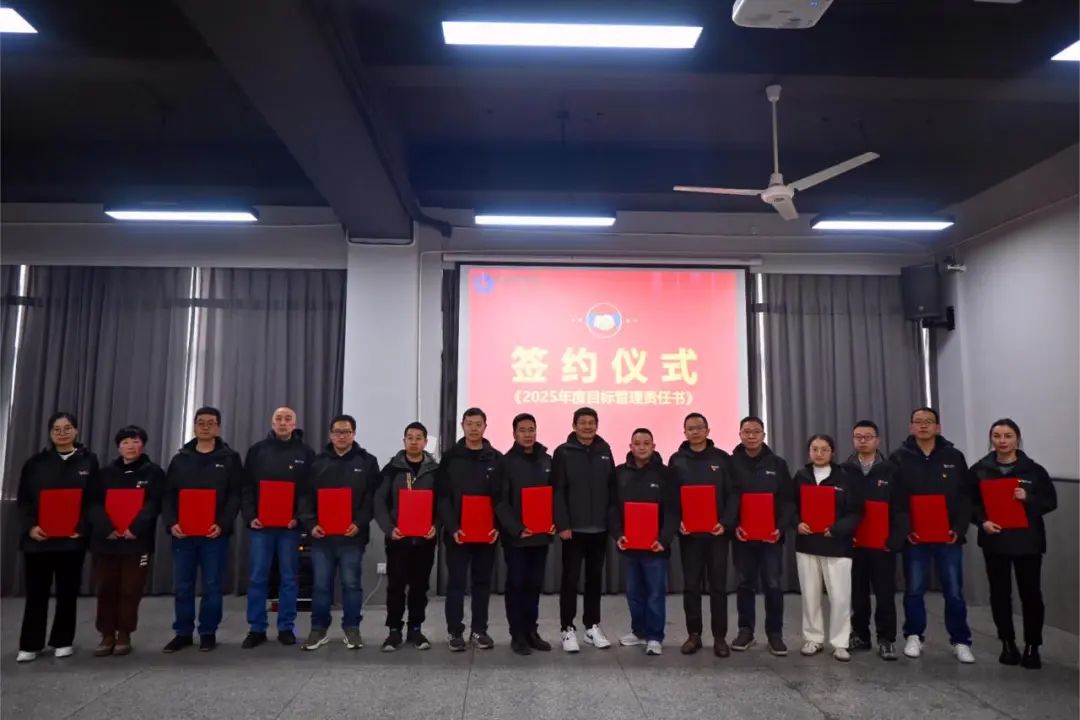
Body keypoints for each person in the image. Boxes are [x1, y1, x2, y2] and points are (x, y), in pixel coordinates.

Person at [970, 418, 1057, 669]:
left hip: (1028, 541)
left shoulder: (1034, 470)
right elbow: (970, 503)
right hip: (995, 539)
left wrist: (1028, 497)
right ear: (991, 439)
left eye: (1008, 436)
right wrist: (982, 522)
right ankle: (1007, 643)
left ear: (1017, 438)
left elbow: (1050, 502)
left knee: (1031, 594)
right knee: (999, 594)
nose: (1002, 441)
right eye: (997, 436)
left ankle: (1032, 645)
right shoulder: (979, 470)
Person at [891, 407, 974, 664]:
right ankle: (914, 635)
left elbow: (965, 497)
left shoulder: (954, 456)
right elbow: (895, 500)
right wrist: (907, 530)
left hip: (948, 537)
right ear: (911, 426)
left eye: (929, 421)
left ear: (938, 427)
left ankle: (960, 640)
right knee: (914, 589)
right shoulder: (899, 457)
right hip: (915, 537)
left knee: (954, 591)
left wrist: (958, 529)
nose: (923, 426)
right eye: (918, 421)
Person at [15, 412, 99, 663]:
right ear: (50, 433)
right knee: (36, 594)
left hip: (71, 540)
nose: (62, 433)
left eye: (67, 428)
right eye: (57, 429)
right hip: (38, 540)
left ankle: (63, 640)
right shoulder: (35, 463)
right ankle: (30, 644)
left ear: (76, 431)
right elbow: (24, 500)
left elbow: (93, 501)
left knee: (67, 593)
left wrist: (81, 527)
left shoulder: (88, 461)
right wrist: (30, 527)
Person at [160, 406, 243, 653]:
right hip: (183, 534)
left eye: (211, 423)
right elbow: (168, 495)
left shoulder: (230, 459)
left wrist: (223, 524)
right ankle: (183, 632)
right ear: (194, 426)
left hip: (214, 534)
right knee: (183, 585)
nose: (205, 427)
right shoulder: (180, 458)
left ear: (218, 427)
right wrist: (172, 523)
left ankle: (208, 632)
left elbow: (235, 495)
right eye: (201, 422)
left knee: (212, 585)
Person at [298, 414, 379, 651]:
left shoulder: (367, 461)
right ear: (330, 434)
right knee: (321, 586)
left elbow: (372, 498)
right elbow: (305, 497)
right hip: (322, 537)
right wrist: (311, 523)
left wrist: (360, 523)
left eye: (346, 432)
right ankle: (318, 629)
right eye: (337, 432)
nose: (341, 436)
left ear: (354, 434)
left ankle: (352, 629)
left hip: (352, 537)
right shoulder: (316, 462)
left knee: (351, 584)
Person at [240, 406, 315, 649]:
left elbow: (308, 491)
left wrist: (299, 517)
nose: (283, 422)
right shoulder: (257, 451)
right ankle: (256, 627)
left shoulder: (305, 453)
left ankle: (286, 627)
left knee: (289, 578)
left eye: (288, 419)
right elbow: (247, 487)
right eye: (279, 419)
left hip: (290, 527)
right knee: (257, 577)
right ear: (272, 423)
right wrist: (251, 516)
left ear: (295, 424)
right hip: (261, 526)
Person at [87, 425, 165, 657]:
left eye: (136, 441)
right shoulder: (104, 473)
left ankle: (124, 633)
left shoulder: (154, 473)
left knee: (131, 588)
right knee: (106, 588)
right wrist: (108, 528)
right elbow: (93, 504)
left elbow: (154, 504)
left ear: (143, 445)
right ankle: (106, 634)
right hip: (107, 541)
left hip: (137, 541)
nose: (131, 446)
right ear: (118, 447)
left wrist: (135, 528)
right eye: (125, 442)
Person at [669, 412, 737, 657]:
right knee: (691, 587)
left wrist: (725, 523)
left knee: (718, 587)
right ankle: (694, 634)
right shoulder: (677, 460)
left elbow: (733, 495)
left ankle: (720, 637)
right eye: (690, 428)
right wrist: (678, 523)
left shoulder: (722, 459)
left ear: (708, 431)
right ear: (684, 432)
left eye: (699, 427)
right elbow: (671, 498)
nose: (695, 431)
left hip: (717, 534)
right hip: (689, 536)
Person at [794, 434, 864, 662]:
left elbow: (856, 511)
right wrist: (797, 523)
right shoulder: (801, 476)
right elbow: (790, 505)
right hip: (807, 544)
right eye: (814, 449)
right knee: (810, 596)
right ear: (809, 452)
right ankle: (813, 638)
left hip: (837, 545)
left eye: (824, 449)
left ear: (832, 452)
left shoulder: (845, 477)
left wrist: (837, 529)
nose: (819, 453)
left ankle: (840, 642)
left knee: (840, 597)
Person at [610, 429, 679, 656]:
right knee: (633, 593)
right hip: (629, 545)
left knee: (655, 594)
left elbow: (672, 510)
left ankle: (655, 636)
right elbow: (613, 508)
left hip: (655, 547)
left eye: (646, 443)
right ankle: (638, 631)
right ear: (630, 446)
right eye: (637, 443)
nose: (641, 447)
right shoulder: (620, 473)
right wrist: (618, 534)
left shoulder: (666, 474)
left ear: (653, 446)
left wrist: (664, 539)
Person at [729, 416, 794, 656]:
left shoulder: (777, 464)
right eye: (746, 431)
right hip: (742, 536)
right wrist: (734, 525)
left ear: (763, 435)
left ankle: (775, 634)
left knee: (773, 584)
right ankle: (745, 630)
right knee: (744, 583)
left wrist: (780, 527)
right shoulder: (731, 463)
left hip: (771, 537)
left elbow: (787, 500)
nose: (751, 436)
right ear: (740, 434)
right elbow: (727, 498)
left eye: (756, 431)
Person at [553, 406, 616, 653]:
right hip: (573, 529)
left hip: (599, 528)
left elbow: (612, 489)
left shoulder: (605, 451)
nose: (587, 427)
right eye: (583, 422)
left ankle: (592, 626)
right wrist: (563, 524)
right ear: (574, 425)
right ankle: (567, 628)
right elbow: (558, 491)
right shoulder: (563, 452)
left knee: (594, 580)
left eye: (591, 422)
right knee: (570, 579)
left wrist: (611, 522)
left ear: (596, 425)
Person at [437, 407, 501, 651]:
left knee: (482, 583)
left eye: (478, 424)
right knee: (456, 583)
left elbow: (502, 497)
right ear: (462, 426)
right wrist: (453, 527)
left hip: (487, 534)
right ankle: (455, 632)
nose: (474, 428)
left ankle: (479, 630)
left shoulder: (495, 458)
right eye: (469, 424)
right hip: (457, 535)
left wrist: (497, 526)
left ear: (485, 427)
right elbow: (442, 496)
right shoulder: (450, 457)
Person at [841, 420, 905, 661]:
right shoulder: (844, 470)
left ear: (877, 440)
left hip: (883, 544)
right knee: (857, 593)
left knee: (885, 593)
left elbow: (901, 509)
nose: (863, 441)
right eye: (858, 436)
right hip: (854, 543)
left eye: (868, 437)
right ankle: (860, 635)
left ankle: (887, 639)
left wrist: (895, 539)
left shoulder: (892, 470)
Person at [493, 413, 556, 655]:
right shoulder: (505, 463)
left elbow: (555, 496)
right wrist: (517, 528)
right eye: (523, 430)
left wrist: (553, 522)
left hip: (540, 535)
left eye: (531, 429)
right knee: (517, 584)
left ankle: (532, 631)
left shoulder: (547, 460)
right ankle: (517, 634)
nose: (528, 434)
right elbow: (500, 501)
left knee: (533, 585)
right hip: (517, 537)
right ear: (514, 434)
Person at [375, 421, 439, 652]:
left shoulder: (435, 470)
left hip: (424, 540)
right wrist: (389, 528)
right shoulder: (391, 469)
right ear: (404, 441)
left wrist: (436, 526)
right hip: (398, 539)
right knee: (396, 586)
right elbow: (379, 501)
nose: (414, 441)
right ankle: (394, 630)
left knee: (420, 587)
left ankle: (415, 629)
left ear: (425, 442)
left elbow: (442, 502)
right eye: (409, 437)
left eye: (418, 438)